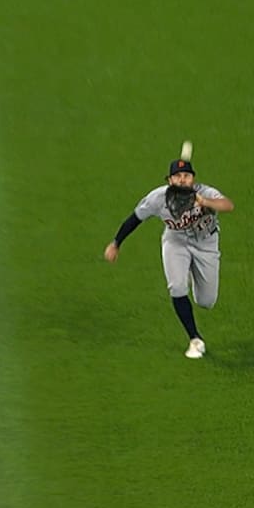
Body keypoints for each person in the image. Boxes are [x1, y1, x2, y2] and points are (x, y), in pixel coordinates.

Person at [103, 144, 234, 359]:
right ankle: (195, 339)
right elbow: (135, 218)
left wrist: (205, 202)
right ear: (169, 180)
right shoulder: (157, 198)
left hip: (206, 244)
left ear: (193, 179)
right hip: (176, 243)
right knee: (177, 287)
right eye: (177, 176)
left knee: (206, 301)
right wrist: (116, 243)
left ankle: (192, 269)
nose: (182, 179)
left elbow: (228, 205)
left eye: (187, 175)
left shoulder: (205, 192)